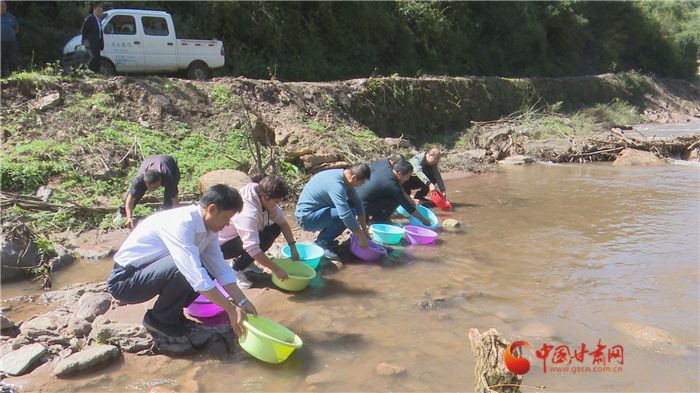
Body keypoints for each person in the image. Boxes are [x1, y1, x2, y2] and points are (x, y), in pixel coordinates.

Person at [107, 184, 258, 339]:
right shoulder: (181, 223)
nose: (227, 224)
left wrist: (242, 300)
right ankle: (159, 320)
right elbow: (193, 274)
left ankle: (172, 315)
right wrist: (230, 309)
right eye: (227, 217)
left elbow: (220, 267)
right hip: (125, 281)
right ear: (212, 209)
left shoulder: (209, 230)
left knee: (205, 267)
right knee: (186, 267)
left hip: (149, 273)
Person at [219, 174, 300, 289]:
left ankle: (243, 261)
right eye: (276, 201)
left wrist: (293, 246)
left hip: (237, 238)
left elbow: (282, 222)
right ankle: (236, 271)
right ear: (266, 196)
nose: (276, 205)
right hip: (222, 248)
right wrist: (276, 269)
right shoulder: (247, 212)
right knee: (265, 238)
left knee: (275, 227)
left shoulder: (261, 194)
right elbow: (252, 248)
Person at [295, 163, 371, 259]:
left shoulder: (343, 176)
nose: (360, 186)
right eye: (361, 183)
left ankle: (327, 239)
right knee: (349, 213)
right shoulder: (336, 185)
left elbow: (358, 203)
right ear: (353, 177)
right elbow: (345, 215)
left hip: (318, 212)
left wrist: (364, 229)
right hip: (306, 219)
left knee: (351, 207)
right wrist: (361, 238)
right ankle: (322, 242)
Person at [357, 159, 432, 226]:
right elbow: (408, 207)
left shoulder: (388, 169)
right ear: (399, 174)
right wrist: (425, 220)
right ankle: (376, 221)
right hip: (363, 207)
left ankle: (375, 217)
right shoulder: (392, 185)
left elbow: (398, 187)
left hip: (358, 200)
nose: (407, 180)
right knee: (396, 199)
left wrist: (410, 199)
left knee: (395, 196)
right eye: (407, 177)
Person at [118, 154, 180, 229]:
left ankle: (165, 213)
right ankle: (122, 213)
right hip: (149, 161)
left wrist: (174, 217)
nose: (153, 189)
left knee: (169, 196)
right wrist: (129, 218)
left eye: (155, 186)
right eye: (150, 187)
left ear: (160, 180)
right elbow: (130, 199)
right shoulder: (139, 179)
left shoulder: (167, 176)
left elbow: (175, 200)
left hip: (170, 164)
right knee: (137, 193)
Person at [81, 3, 104, 74]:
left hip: (97, 43)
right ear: (94, 10)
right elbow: (84, 30)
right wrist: (85, 39)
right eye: (98, 11)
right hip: (90, 43)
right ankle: (87, 73)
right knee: (92, 58)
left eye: (101, 11)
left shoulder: (99, 21)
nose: (100, 13)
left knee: (97, 60)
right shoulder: (90, 18)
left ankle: (96, 74)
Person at [0, 1, 19, 77]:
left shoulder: (11, 17)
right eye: (1, 6)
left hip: (11, 42)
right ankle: (1, 77)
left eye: (4, 7)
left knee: (13, 59)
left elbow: (16, 29)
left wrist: (9, 34)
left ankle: (13, 76)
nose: (2, 8)